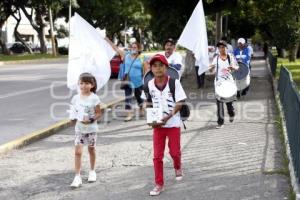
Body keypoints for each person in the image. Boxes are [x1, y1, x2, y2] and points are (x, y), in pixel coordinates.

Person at [142, 54, 187, 196]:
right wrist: (149, 116)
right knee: (157, 156)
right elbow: (147, 102)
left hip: (173, 123)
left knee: (174, 152)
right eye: (154, 66)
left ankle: (177, 166)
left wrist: (168, 116)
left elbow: (180, 102)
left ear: (166, 68)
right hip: (158, 126)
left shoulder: (174, 83)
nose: (158, 68)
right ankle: (159, 183)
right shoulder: (148, 84)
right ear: (151, 69)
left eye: (161, 65)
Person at [69, 73, 102, 188]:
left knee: (91, 149)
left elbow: (99, 113)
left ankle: (92, 171)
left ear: (92, 85)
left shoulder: (94, 98)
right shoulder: (75, 98)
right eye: (81, 83)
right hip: (79, 128)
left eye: (87, 83)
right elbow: (73, 112)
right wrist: (72, 119)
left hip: (91, 128)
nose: (83, 86)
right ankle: (77, 176)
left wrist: (92, 119)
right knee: (78, 152)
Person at [105, 38, 146, 121]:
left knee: (138, 97)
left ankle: (141, 107)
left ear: (139, 49)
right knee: (128, 98)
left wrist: (145, 82)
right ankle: (129, 114)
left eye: (135, 47)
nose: (133, 48)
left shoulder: (142, 58)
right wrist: (106, 39)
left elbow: (145, 71)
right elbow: (115, 47)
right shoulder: (126, 55)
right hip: (127, 80)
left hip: (138, 82)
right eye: (132, 47)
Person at [209, 40, 239, 129]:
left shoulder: (231, 57)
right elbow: (211, 69)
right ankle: (220, 122)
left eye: (223, 47)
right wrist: (211, 69)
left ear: (227, 48)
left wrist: (233, 67)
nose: (221, 49)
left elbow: (237, 67)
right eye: (220, 47)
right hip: (219, 83)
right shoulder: (216, 58)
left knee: (229, 103)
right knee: (219, 103)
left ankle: (231, 113)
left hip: (229, 83)